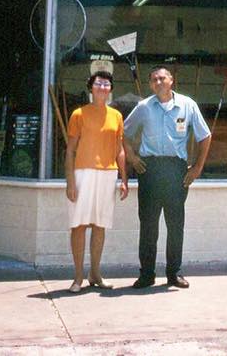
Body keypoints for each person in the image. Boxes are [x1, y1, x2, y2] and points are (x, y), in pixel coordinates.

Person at [124, 65, 211, 289]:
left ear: (171, 80)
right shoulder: (144, 107)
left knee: (175, 224)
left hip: (176, 171)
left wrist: (197, 168)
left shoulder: (188, 105)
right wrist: (132, 158)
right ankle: (146, 274)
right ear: (150, 84)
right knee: (148, 225)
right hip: (149, 170)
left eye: (162, 78)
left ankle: (174, 274)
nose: (158, 82)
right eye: (154, 79)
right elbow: (122, 133)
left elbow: (205, 136)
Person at [65, 71, 129, 293]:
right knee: (79, 225)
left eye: (106, 84)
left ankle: (95, 273)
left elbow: (120, 150)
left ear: (110, 89)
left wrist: (124, 178)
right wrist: (70, 182)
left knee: (100, 225)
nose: (102, 87)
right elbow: (70, 150)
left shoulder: (116, 116)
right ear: (91, 87)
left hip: (108, 174)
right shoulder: (78, 114)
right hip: (82, 173)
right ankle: (78, 277)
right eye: (98, 83)